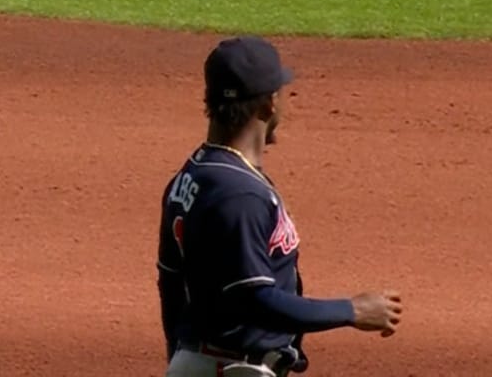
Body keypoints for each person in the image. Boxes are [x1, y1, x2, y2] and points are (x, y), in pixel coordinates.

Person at [157, 36, 403, 376]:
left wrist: (181, 359)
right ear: (270, 103)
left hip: (200, 362)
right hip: (232, 368)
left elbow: (170, 282)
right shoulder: (240, 195)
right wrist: (352, 310)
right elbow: (257, 299)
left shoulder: (191, 177)